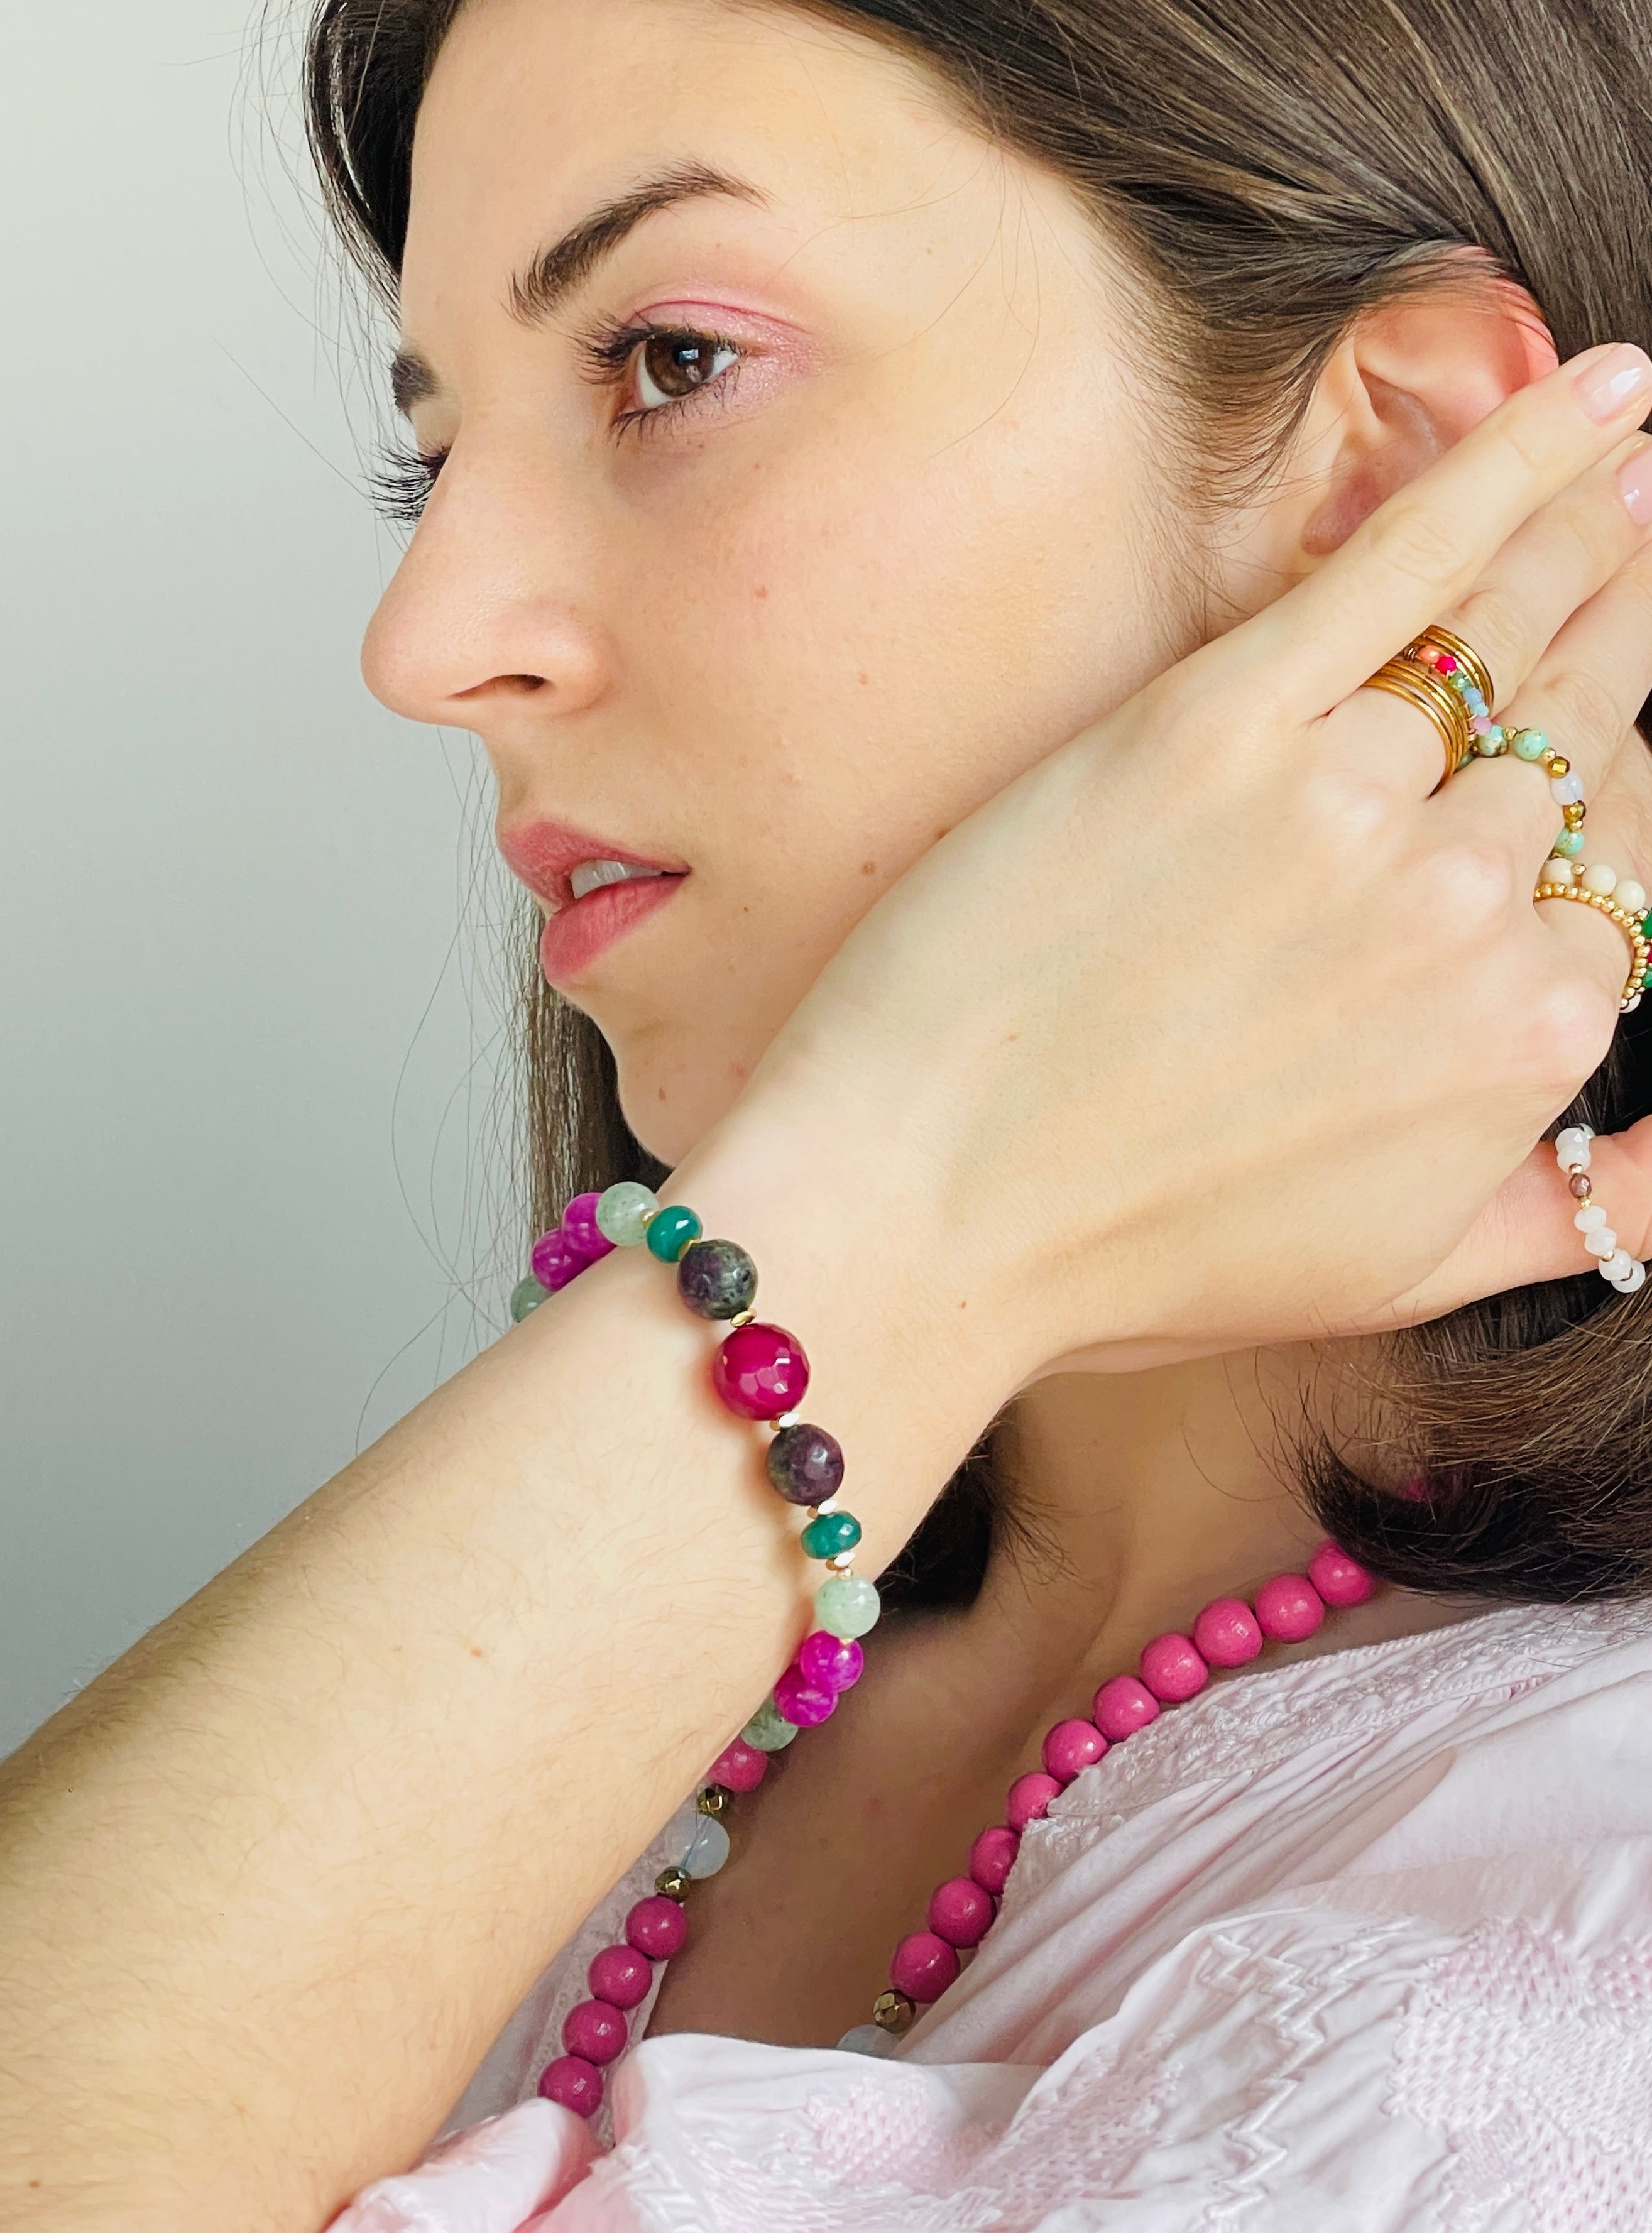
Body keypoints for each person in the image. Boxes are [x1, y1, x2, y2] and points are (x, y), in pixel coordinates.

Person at [9, 0, 1652, 2224]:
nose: (426, 638)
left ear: (1396, 468)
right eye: (436, 457)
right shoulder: (638, 1689)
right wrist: (898, 1241)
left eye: (669, 361)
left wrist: (912, 1219)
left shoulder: (1563, 1961)